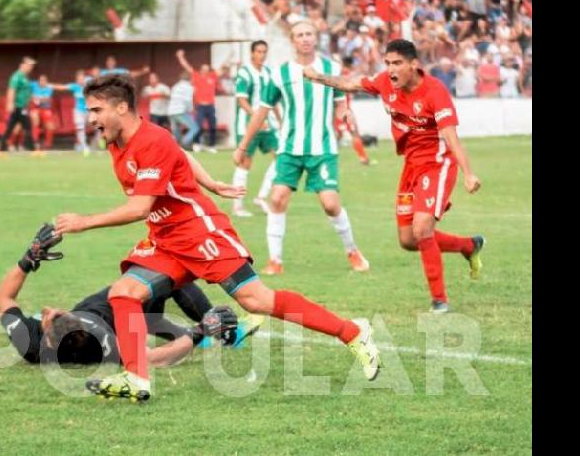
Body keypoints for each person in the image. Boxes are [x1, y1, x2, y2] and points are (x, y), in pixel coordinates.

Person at [53, 75, 381, 402]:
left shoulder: (152, 141)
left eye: (96, 110)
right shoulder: (120, 139)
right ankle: (137, 378)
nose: (91, 118)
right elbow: (179, 152)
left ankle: (352, 332)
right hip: (166, 239)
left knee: (256, 300)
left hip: (200, 232)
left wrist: (84, 222)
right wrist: (210, 182)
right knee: (124, 292)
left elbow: (140, 207)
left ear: (121, 107)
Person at [303, 39, 485, 313]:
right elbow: (351, 84)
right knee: (409, 240)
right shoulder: (385, 83)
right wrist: (317, 77)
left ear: (414, 65)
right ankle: (468, 245)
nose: (390, 69)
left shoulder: (435, 92)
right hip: (411, 165)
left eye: (397, 63)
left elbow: (451, 137)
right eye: (387, 63)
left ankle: (440, 301)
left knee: (422, 229)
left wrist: (469, 174)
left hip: (436, 165)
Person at [0, 224, 260, 366]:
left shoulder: (31, 345)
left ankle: (193, 335)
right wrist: (201, 329)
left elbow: (4, 298)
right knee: (172, 277)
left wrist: (28, 260)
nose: (52, 314)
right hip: (127, 306)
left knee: (154, 316)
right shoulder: (106, 345)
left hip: (126, 313)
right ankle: (228, 334)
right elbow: (153, 359)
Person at [235, 22, 371, 276]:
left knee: (330, 204)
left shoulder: (331, 68)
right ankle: (275, 260)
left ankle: (352, 250)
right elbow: (261, 112)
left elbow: (340, 104)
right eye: (299, 35)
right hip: (289, 148)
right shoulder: (279, 74)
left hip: (323, 148)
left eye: (309, 34)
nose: (305, 39)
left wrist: (346, 114)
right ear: (292, 40)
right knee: (276, 199)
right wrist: (243, 145)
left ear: (316, 38)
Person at [230, 40, 282, 218]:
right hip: (248, 125)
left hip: (267, 125)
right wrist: (256, 117)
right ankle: (237, 206)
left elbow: (272, 99)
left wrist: (280, 119)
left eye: (264, 52)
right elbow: (241, 100)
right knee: (245, 163)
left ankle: (261, 197)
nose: (262, 55)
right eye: (258, 51)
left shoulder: (268, 73)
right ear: (252, 53)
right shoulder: (244, 73)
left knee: (280, 157)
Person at [0, 57, 38, 152]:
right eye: (29, 65)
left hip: (23, 106)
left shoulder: (25, 77)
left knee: (10, 127)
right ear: (22, 65)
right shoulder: (16, 76)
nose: (31, 68)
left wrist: (32, 98)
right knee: (27, 126)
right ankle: (31, 147)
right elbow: (11, 90)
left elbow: (26, 91)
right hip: (18, 106)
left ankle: (2, 146)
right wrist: (10, 103)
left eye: (32, 66)